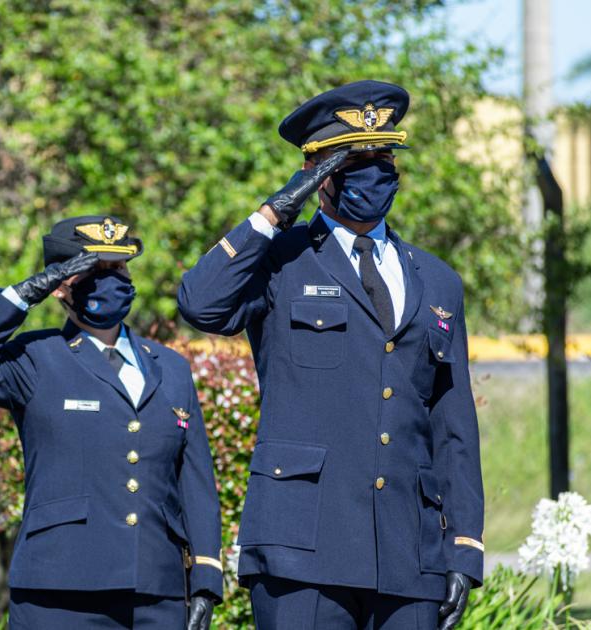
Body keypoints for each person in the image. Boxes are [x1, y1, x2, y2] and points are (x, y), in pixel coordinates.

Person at [177, 80, 483, 630]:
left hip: (408, 554)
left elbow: (452, 420)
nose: (374, 174)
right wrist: (274, 214)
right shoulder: (280, 261)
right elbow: (201, 305)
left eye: (383, 158)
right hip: (302, 550)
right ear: (318, 174)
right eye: (353, 161)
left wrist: (464, 547)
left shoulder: (436, 280)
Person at [0, 216, 223, 629]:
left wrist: (206, 578)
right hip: (60, 591)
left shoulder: (172, 367)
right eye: (95, 270)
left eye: (118, 268)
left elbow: (195, 481)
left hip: (156, 594)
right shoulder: (36, 358)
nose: (111, 280)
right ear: (62, 283)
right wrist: (27, 292)